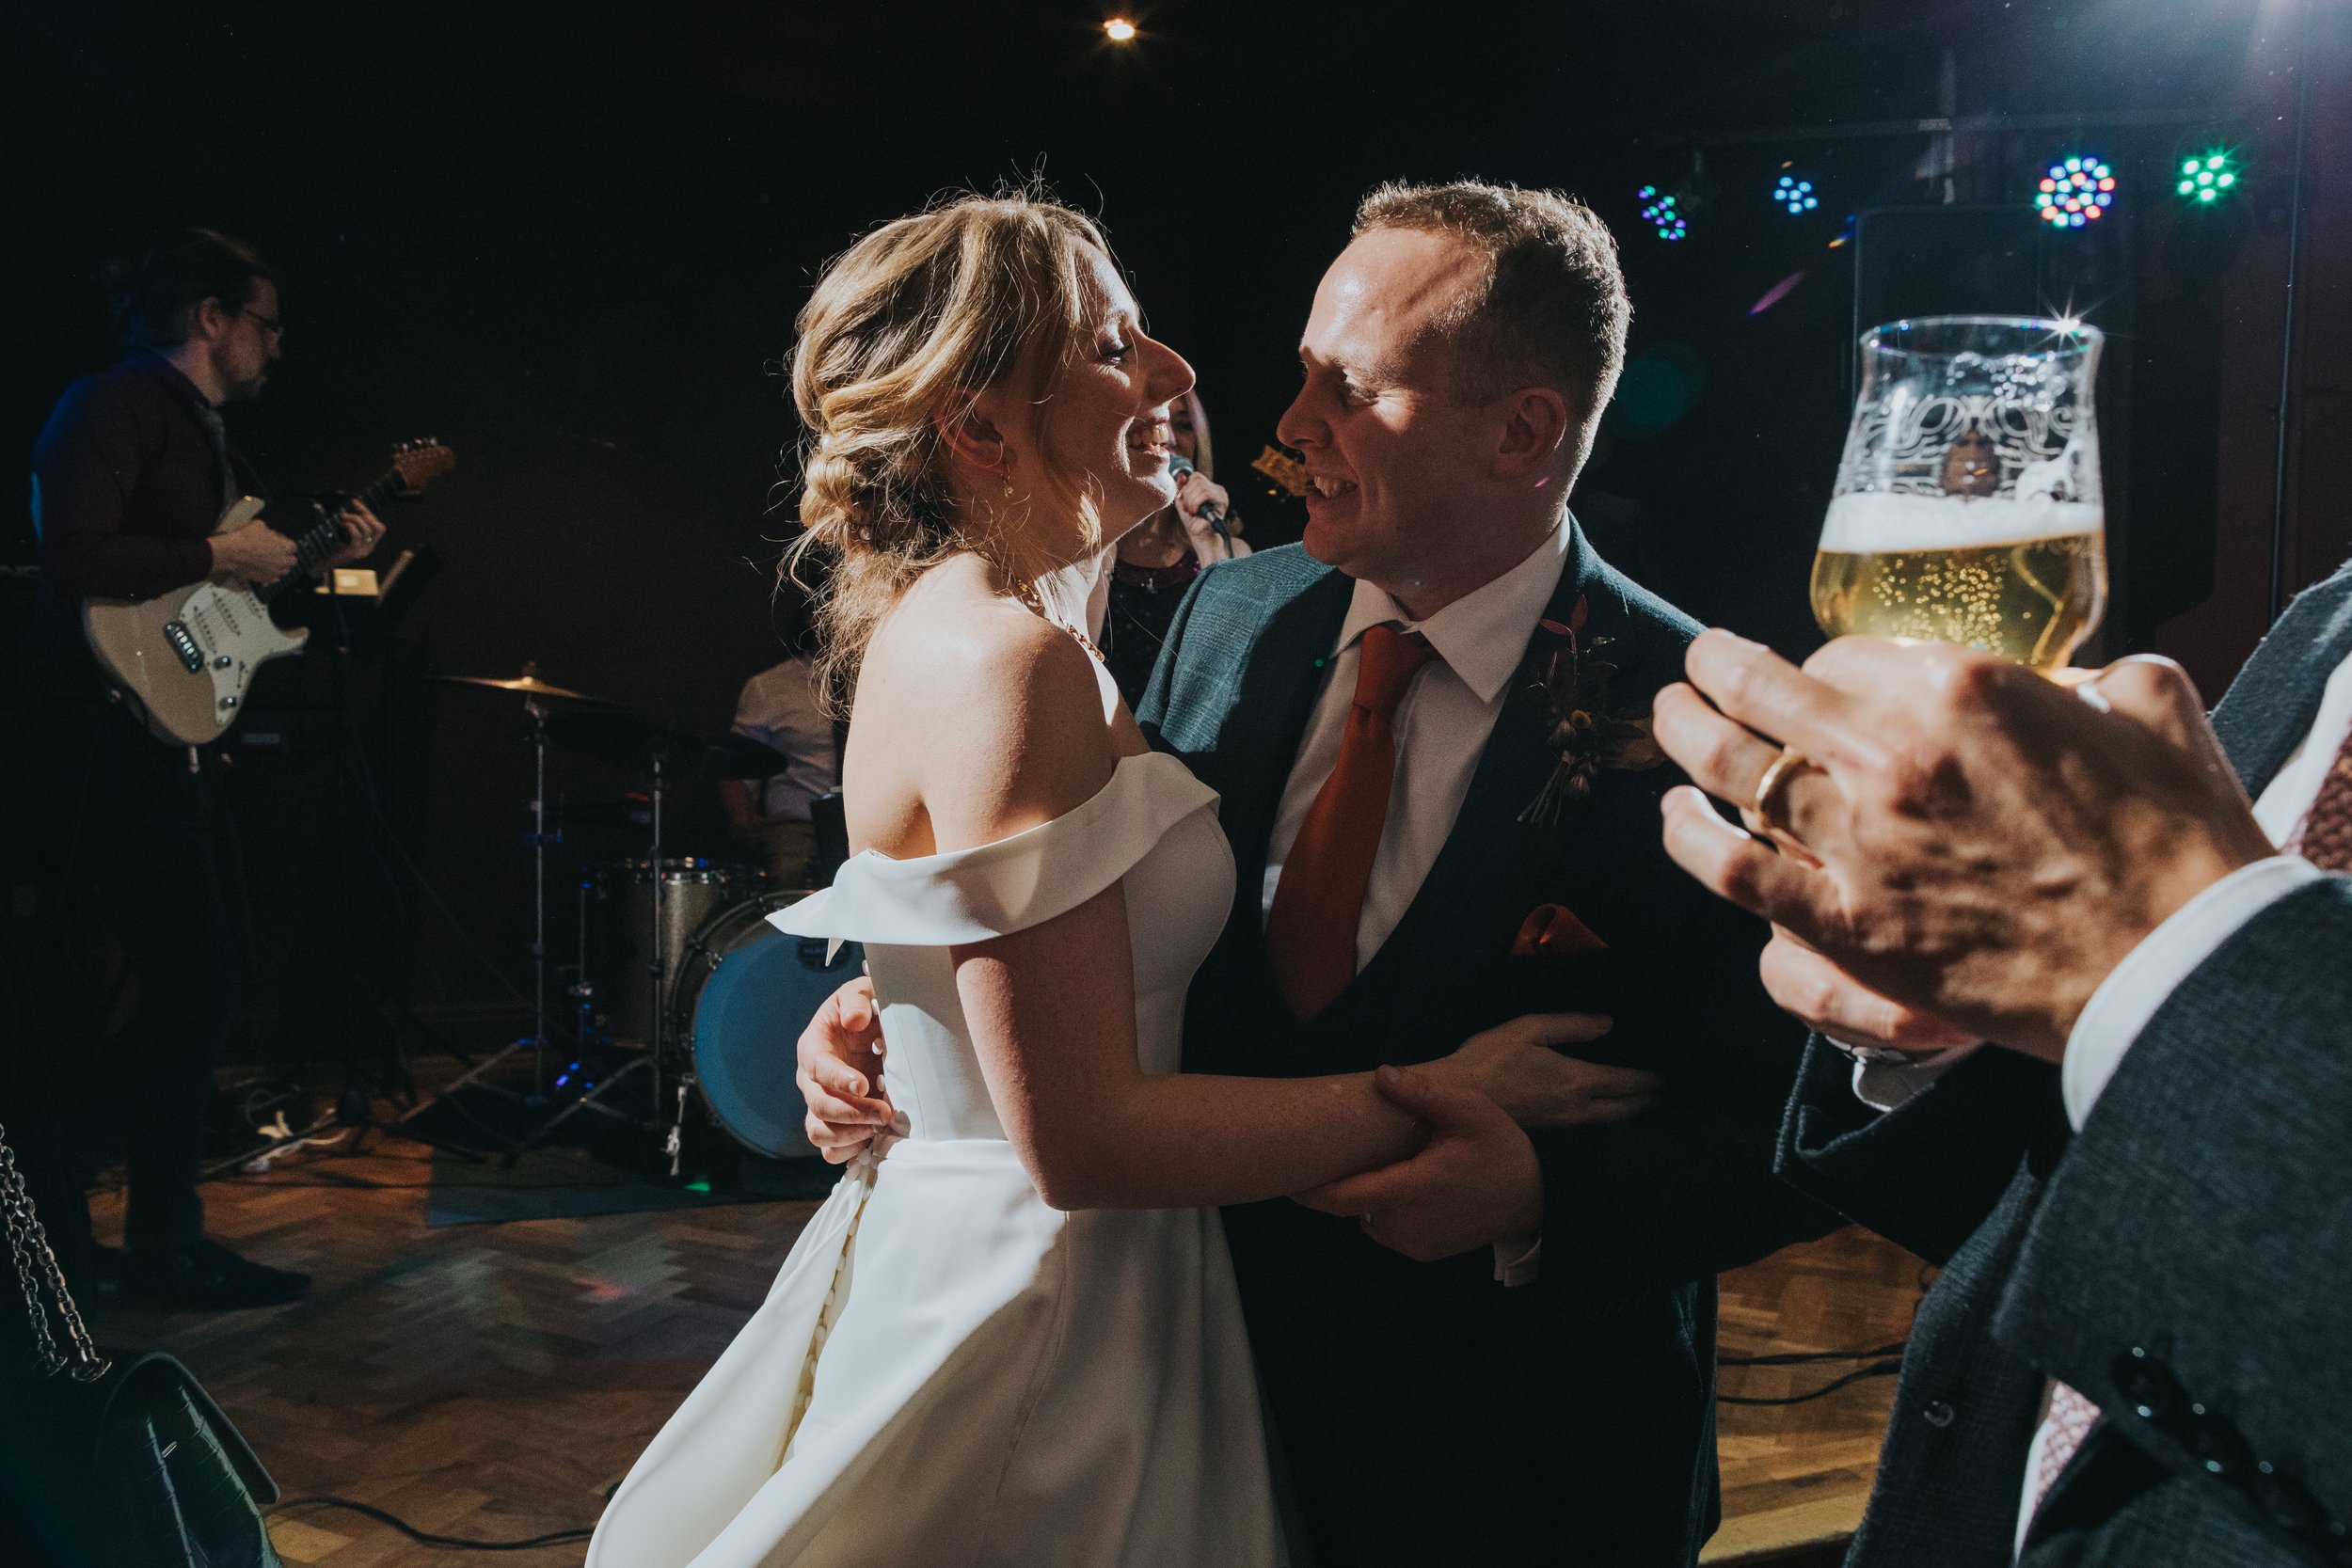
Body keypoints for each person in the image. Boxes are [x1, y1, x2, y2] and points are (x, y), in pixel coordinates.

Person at [585, 191, 1639, 1568]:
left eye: (1350, 382)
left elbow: (1069, 924)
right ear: (978, 423)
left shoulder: (1665, 701)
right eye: (1113, 342)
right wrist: (1441, 1099)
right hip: (1051, 1298)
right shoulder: (1033, 652)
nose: (1199, 382)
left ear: (1524, 429)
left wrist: (926, 1006)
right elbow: (1076, 1125)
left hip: (1469, 1425)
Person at [798, 181, 1835, 1566]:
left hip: (1518, 1468)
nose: (1288, 429)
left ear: (1525, 431)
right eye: (1299, 377)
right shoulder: (1229, 614)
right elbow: (1090, 923)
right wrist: (915, 1013)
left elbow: (1800, 1124)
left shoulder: (1709, 716)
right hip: (1184, 1394)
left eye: (1345, 388)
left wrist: (1542, 1191)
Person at [1649, 602, 2352, 1565]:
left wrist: (2153, 959)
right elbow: (2144, 1176)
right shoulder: (2328, 621)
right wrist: (1975, 1009)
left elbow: (2191, 997)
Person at [8, 229, 382, 1312]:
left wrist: (311, 560)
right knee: (182, 978)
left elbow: (206, 605)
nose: (274, 345)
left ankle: (109, 1239)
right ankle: (112, 1241)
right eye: (264, 322)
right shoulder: (112, 404)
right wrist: (228, 554)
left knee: (187, 979)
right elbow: (74, 557)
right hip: (93, 741)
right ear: (211, 317)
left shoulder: (201, 434)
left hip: (159, 743)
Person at [1097, 388, 1248, 707]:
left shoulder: (1232, 550)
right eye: (1153, 425)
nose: (1170, 439)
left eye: (1183, 425)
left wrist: (1209, 545)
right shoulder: (1088, 550)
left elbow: (1236, 669)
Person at [717, 596, 841, 886]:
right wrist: (743, 819)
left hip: (873, 822)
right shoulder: (770, 687)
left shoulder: (877, 679)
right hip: (799, 826)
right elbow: (733, 765)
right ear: (814, 619)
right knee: (790, 868)